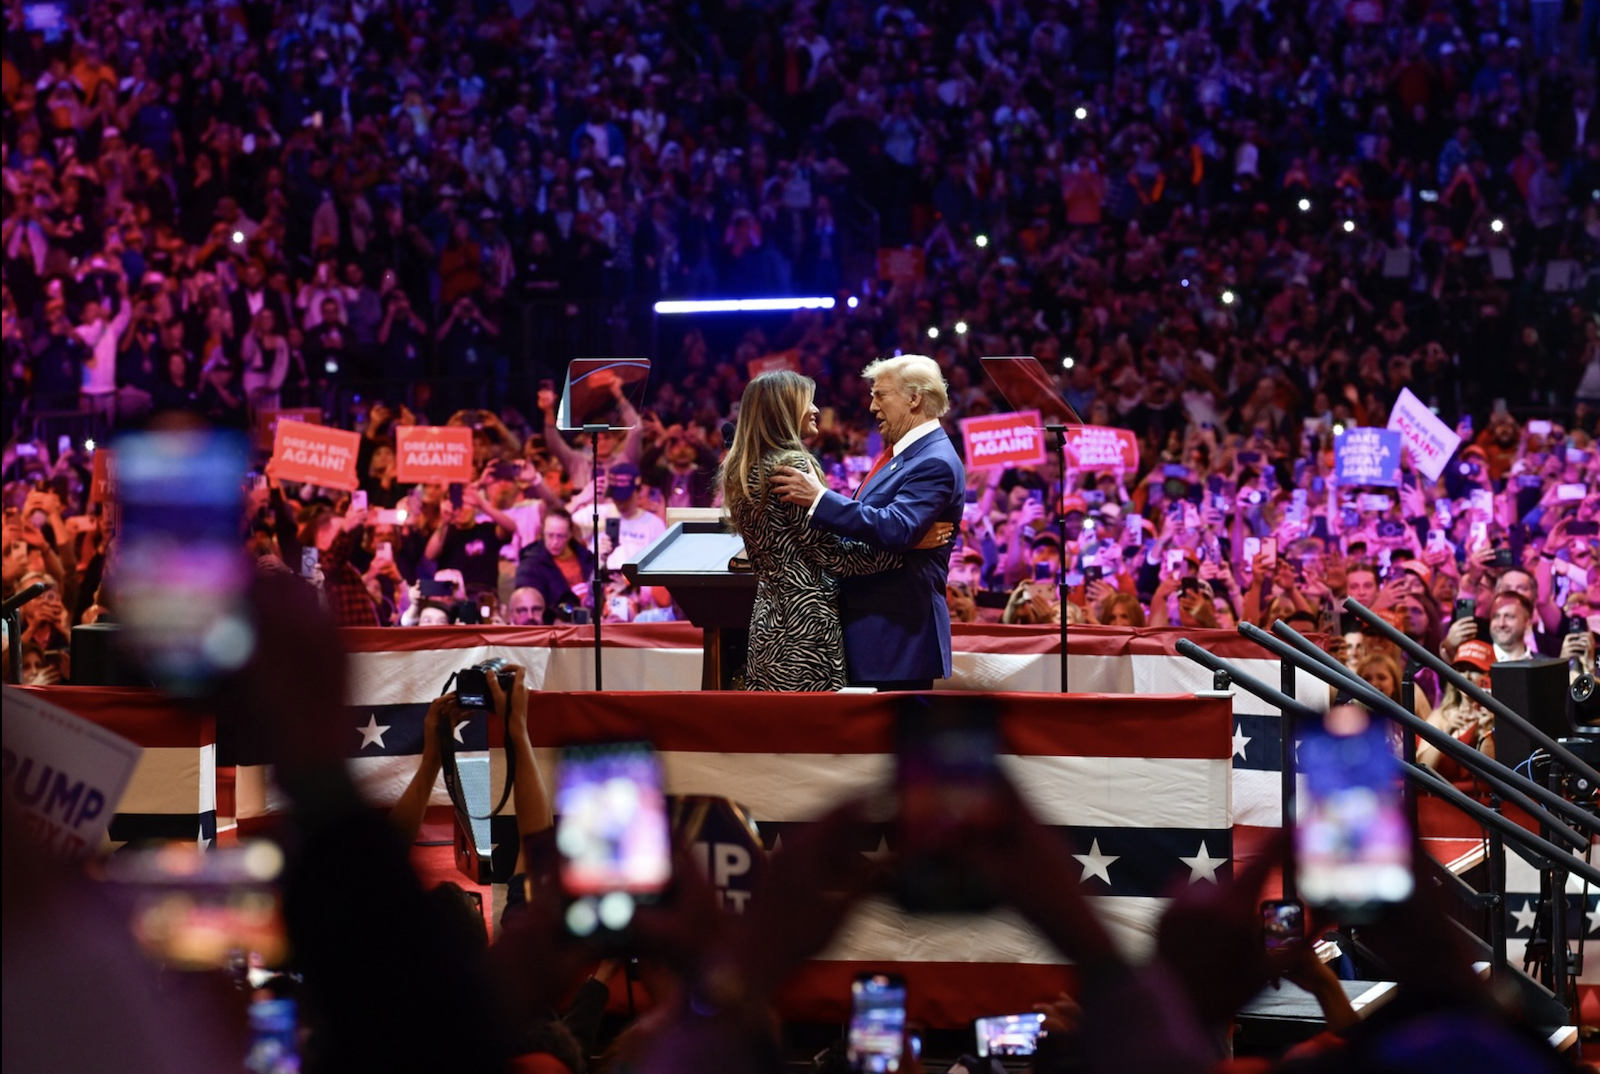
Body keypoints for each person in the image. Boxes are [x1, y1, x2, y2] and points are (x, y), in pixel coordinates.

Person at [720, 370, 946, 692]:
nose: (816, 410)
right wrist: (905, 547)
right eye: (807, 402)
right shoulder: (793, 466)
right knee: (814, 731)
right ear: (784, 410)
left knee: (775, 727)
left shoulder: (742, 466)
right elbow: (835, 557)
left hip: (768, 618)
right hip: (806, 623)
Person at [770, 355, 965, 690]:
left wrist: (820, 498)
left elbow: (898, 528)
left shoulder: (934, 461)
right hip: (874, 634)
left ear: (914, 398)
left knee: (891, 744)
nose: (873, 406)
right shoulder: (904, 455)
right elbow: (899, 532)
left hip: (895, 639)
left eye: (880, 395)